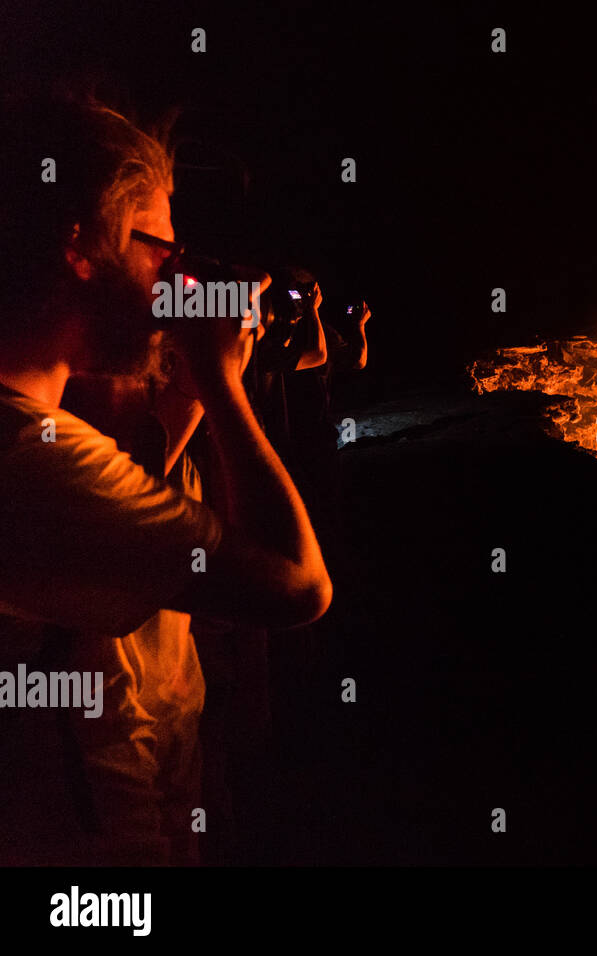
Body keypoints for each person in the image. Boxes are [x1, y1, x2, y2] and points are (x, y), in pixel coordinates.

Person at [0, 95, 331, 865]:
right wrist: (222, 382)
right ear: (79, 246)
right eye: (162, 250)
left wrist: (186, 398)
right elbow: (297, 586)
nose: (171, 282)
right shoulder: (27, 455)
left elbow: (112, 539)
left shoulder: (37, 432)